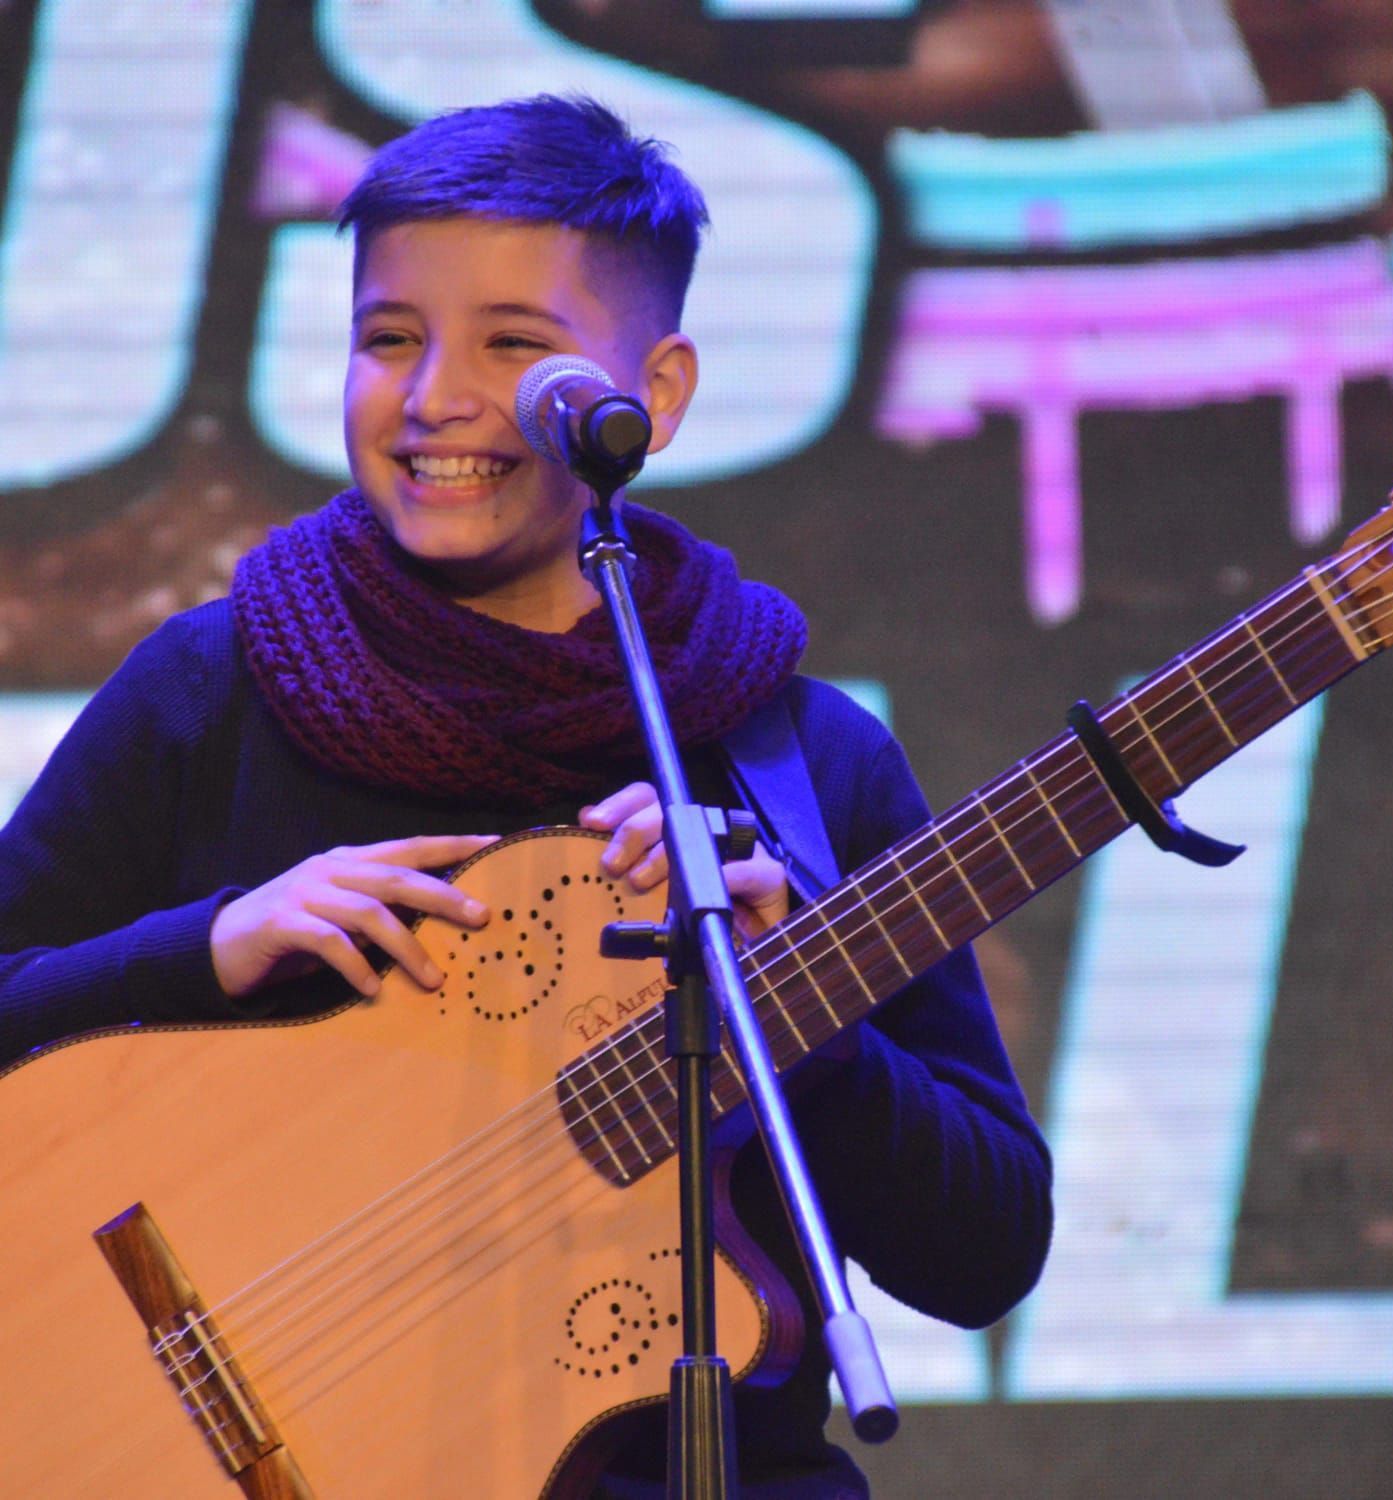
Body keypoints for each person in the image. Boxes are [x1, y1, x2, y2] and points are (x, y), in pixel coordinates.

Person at [0, 95, 1051, 1497]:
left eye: (516, 348)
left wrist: (799, 1026)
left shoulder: (804, 756)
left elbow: (985, 1253)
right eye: (389, 338)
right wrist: (205, 945)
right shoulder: (216, 687)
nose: (434, 395)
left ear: (653, 396)